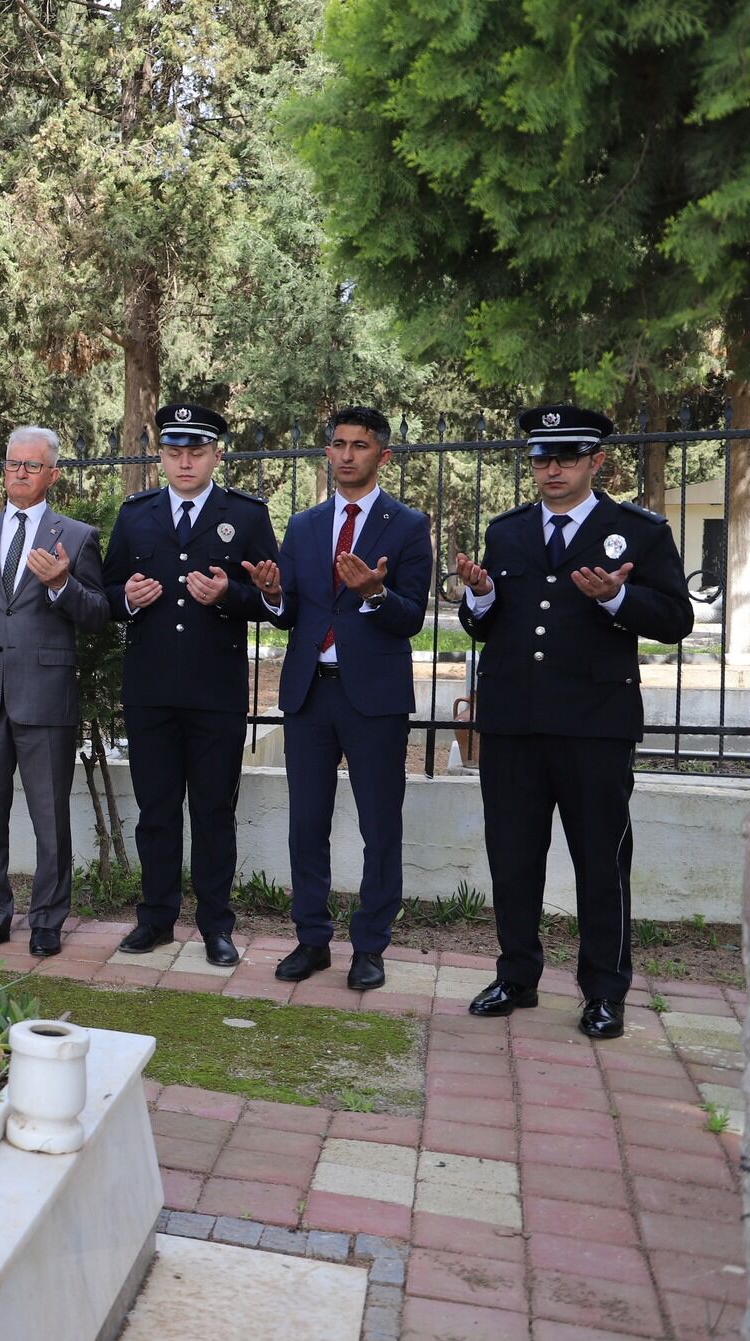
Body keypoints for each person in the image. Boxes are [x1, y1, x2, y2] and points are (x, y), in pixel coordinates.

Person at [458, 405, 694, 1040]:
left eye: (565, 457)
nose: (551, 469)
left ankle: (604, 990)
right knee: (512, 856)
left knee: (599, 861)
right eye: (540, 458)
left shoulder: (635, 532)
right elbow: (488, 623)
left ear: (597, 461)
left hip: (594, 722)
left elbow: (676, 620)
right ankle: (516, 975)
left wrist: (615, 598)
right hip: (513, 722)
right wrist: (478, 597)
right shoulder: (507, 532)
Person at [245, 406, 431, 990]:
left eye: (360, 445)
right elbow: (292, 613)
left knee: (380, 826)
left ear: (383, 455)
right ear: (327, 452)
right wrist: (273, 596)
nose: (347, 454)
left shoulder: (407, 525)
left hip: (373, 699)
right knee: (307, 823)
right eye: (339, 444)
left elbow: (412, 617)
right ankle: (311, 939)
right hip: (308, 695)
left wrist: (375, 595)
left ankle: (370, 947)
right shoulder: (302, 526)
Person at [103, 404, 279, 967]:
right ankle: (155, 920)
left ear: (216, 455)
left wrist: (232, 594)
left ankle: (215, 927)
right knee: (155, 811)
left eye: (196, 451)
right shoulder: (136, 515)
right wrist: (126, 599)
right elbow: (105, 593)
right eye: (175, 451)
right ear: (160, 455)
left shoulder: (246, 516)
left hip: (215, 693)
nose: (185, 462)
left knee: (211, 812)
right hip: (150, 689)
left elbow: (277, 602)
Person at [0, 425, 111, 957]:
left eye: (31, 466)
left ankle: (47, 921)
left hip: (46, 698)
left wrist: (62, 584)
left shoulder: (76, 537)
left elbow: (99, 617)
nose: (19, 472)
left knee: (49, 816)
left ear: (53, 474)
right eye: (13, 463)